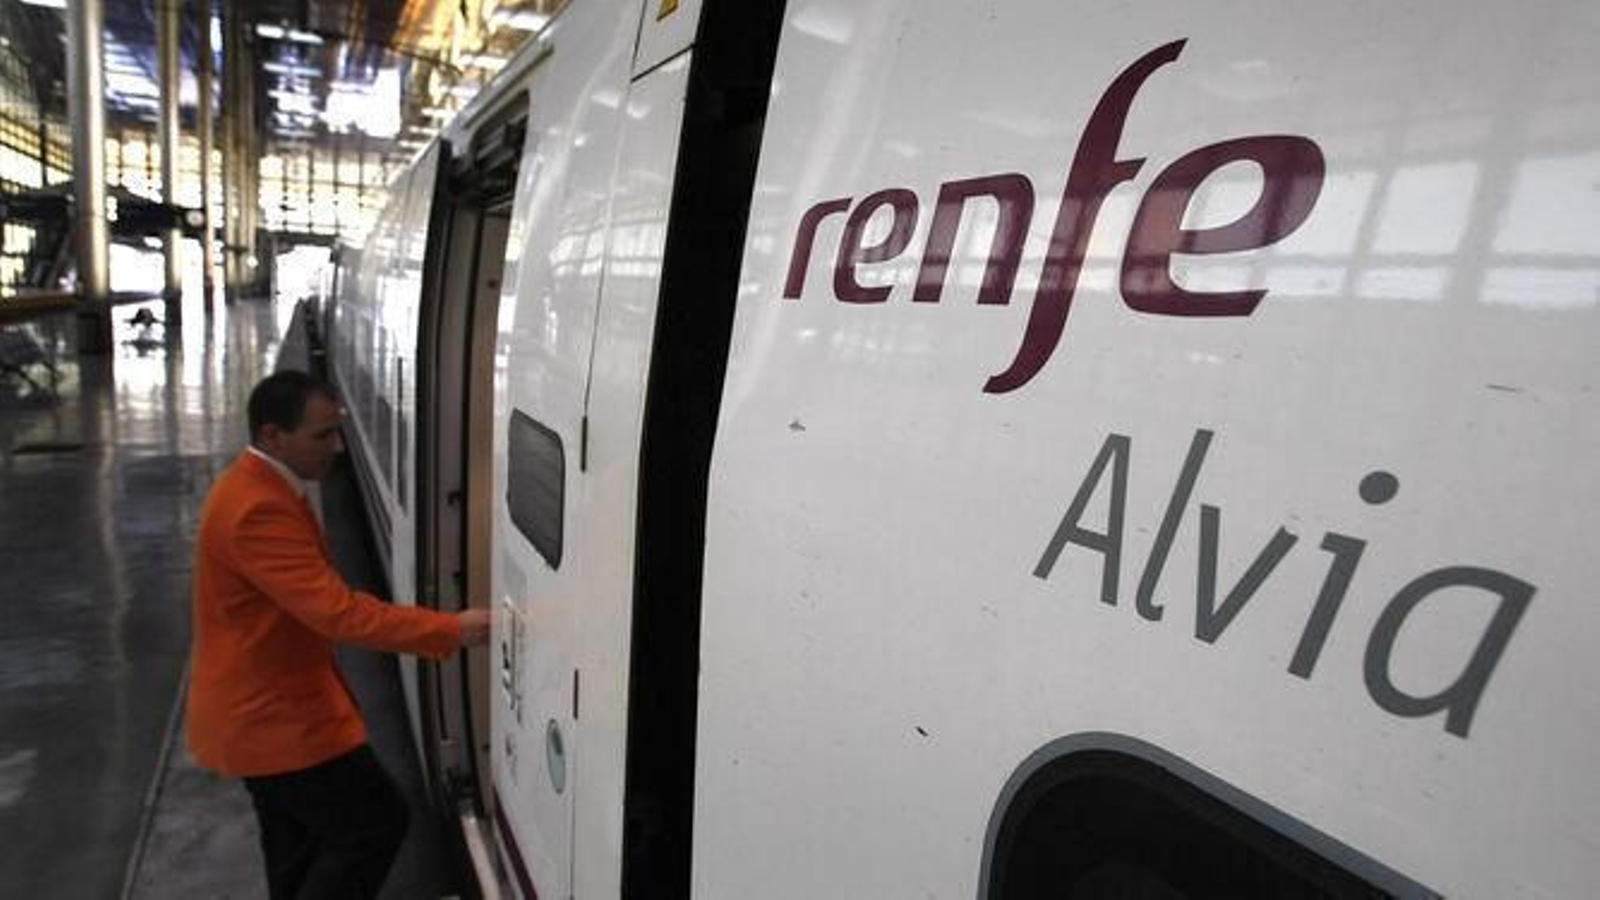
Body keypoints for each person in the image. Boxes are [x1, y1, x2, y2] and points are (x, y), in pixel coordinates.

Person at [186, 370, 492, 899]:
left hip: (261, 716)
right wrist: (450, 630)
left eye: (336, 431)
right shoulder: (256, 508)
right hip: (274, 721)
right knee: (376, 823)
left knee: (296, 844)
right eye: (321, 435)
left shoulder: (258, 484)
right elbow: (340, 614)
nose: (335, 447)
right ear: (271, 436)